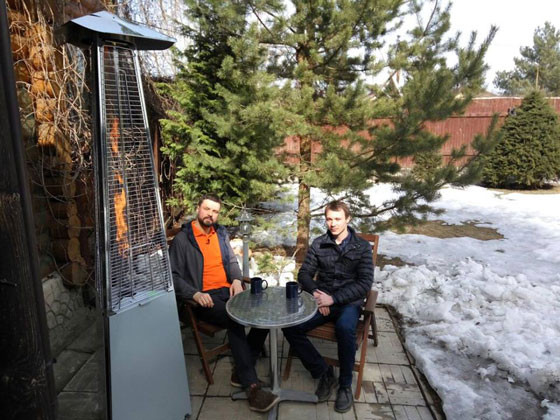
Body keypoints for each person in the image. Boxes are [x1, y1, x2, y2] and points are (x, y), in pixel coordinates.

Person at [169, 194, 277, 412]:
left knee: (265, 312)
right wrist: (194, 294)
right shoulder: (183, 240)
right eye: (207, 209)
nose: (210, 214)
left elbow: (231, 261)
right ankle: (252, 386)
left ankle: (241, 370)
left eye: (215, 211)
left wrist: (236, 279)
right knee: (235, 320)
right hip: (204, 298)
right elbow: (173, 276)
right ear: (198, 209)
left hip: (228, 290)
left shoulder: (220, 233)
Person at [283, 200, 374, 413]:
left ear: (348, 219)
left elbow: (364, 283)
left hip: (348, 302)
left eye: (337, 219)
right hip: (322, 299)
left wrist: (333, 299)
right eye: (329, 219)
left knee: (344, 328)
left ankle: (345, 386)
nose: (333, 224)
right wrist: (316, 294)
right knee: (290, 326)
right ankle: (323, 372)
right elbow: (304, 274)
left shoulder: (361, 247)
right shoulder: (320, 243)